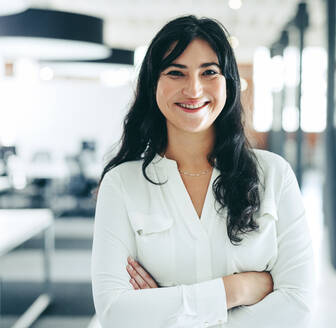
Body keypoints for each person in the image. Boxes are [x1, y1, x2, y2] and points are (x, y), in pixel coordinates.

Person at [91, 15, 315, 328]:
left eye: (209, 72)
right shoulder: (121, 184)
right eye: (175, 72)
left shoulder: (274, 174)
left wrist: (169, 311)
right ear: (153, 84)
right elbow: (115, 313)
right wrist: (235, 289)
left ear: (229, 83)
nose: (194, 89)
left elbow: (299, 304)